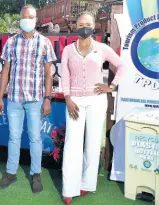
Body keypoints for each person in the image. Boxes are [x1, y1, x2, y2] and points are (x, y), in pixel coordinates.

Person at [60, 12, 125, 204]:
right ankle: (68, 188)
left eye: (87, 24)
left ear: (94, 26)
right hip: (75, 102)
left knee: (93, 144)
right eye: (80, 24)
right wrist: (67, 98)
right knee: (72, 144)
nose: (84, 27)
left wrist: (111, 86)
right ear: (75, 27)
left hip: (97, 101)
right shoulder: (68, 50)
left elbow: (122, 66)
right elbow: (65, 75)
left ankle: (86, 184)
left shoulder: (102, 49)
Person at [0, 5, 57, 194]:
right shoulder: (11, 42)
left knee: (35, 138)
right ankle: (11, 172)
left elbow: (48, 74)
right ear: (20, 19)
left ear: (36, 19)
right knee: (13, 137)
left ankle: (36, 174)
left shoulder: (45, 42)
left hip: (35, 99)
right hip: (14, 98)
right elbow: (5, 71)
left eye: (31, 17)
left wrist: (47, 99)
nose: (27, 20)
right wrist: (0, 97)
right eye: (24, 17)